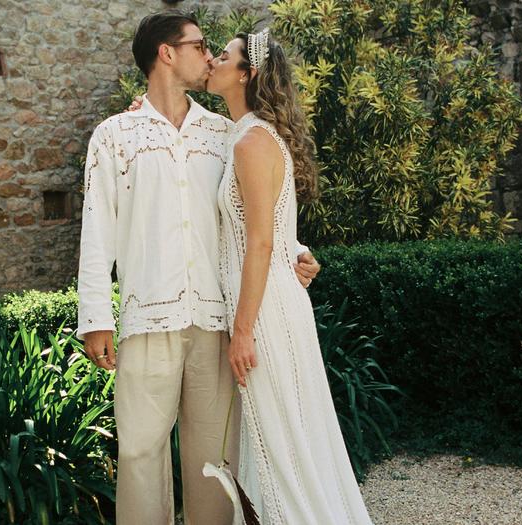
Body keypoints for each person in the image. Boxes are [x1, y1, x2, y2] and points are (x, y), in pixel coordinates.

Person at [75, 12, 321, 525]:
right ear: (167, 53)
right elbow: (97, 230)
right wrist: (95, 315)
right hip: (148, 319)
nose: (209, 56)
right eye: (199, 45)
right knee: (140, 453)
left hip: (215, 321)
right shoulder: (114, 136)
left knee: (214, 458)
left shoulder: (223, 134)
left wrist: (292, 252)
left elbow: (250, 210)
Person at [205, 28, 374, 524]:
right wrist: (299, 251)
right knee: (276, 436)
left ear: (248, 73)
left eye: (225, 55)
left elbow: (259, 240)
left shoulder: (254, 140)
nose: (214, 59)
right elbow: (276, 228)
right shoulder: (240, 133)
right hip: (268, 297)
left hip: (263, 311)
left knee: (280, 439)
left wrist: (242, 331)